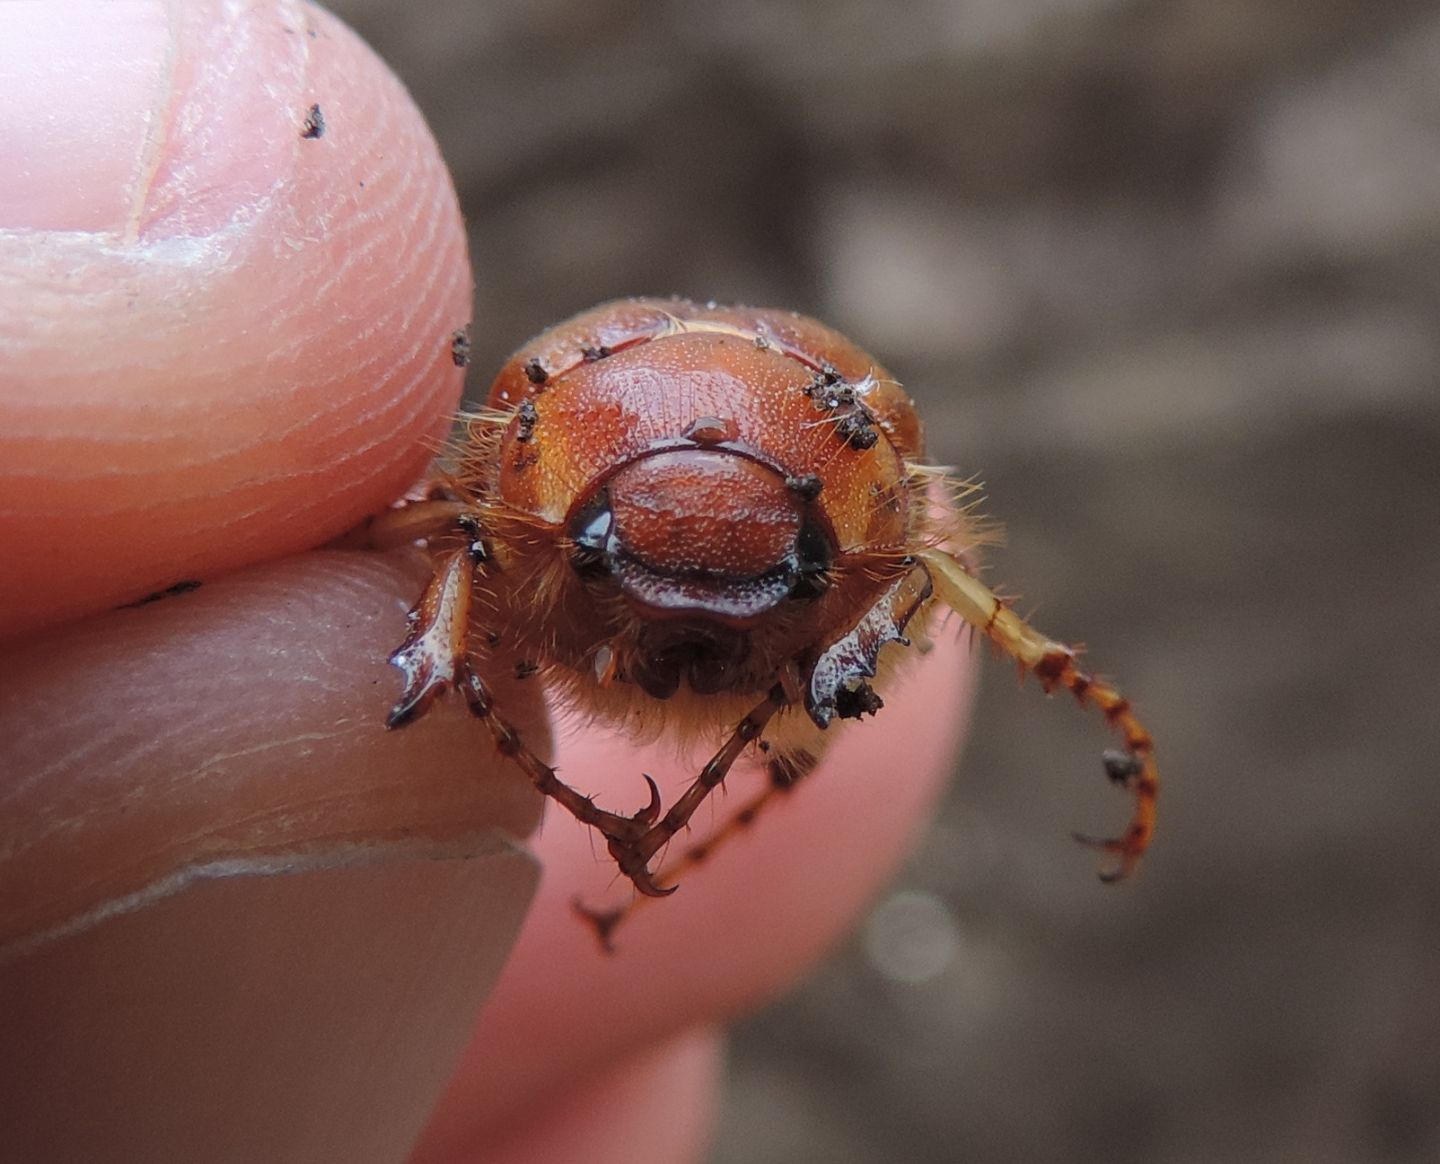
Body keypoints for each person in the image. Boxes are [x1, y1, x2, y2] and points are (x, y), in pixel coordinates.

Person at [0, 3, 973, 1160]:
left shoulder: (879, 541)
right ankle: (441, 653)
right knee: (432, 552)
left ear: (835, 556)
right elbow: (450, 530)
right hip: (603, 486)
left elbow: (930, 569)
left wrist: (867, 650)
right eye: (632, 570)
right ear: (573, 521)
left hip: (763, 527)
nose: (682, 632)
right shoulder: (515, 498)